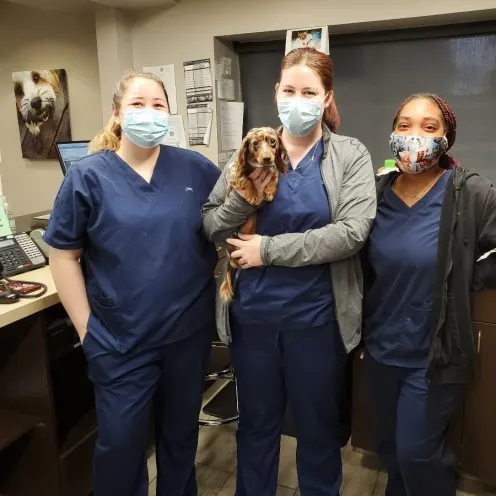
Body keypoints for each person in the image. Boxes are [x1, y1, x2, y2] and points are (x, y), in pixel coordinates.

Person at [202, 48, 376, 496]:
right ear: (276, 93)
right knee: (256, 428)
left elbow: (351, 233)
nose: (297, 100)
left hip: (317, 323)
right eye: (289, 90)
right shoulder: (249, 150)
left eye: (309, 92)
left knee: (317, 434)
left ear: (326, 97)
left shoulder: (348, 155)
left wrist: (268, 250)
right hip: (253, 321)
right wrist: (245, 198)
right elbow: (210, 223)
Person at [43, 70, 220, 496]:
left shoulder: (195, 168)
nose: (149, 113)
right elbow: (62, 255)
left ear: (170, 114)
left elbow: (230, 223)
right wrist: (87, 332)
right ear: (117, 114)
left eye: (158, 105)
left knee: (180, 443)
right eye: (138, 104)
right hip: (119, 342)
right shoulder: (88, 176)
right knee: (120, 450)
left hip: (186, 338)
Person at [362, 93, 496, 496]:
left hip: (433, 355)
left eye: (428, 126)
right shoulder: (375, 193)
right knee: (389, 449)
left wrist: (464, 274)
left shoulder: (471, 193)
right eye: (404, 126)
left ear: (446, 138)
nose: (414, 136)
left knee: (418, 454)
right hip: (381, 350)